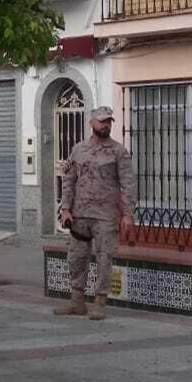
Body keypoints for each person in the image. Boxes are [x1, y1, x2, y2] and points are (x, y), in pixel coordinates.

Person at [55, 105, 136, 322]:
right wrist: (66, 209)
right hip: (80, 214)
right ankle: (77, 302)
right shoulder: (78, 149)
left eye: (108, 121)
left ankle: (100, 302)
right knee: (76, 257)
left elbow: (128, 184)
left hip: (106, 215)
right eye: (101, 121)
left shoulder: (118, 152)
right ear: (91, 123)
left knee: (104, 258)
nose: (105, 125)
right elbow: (69, 180)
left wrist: (128, 214)